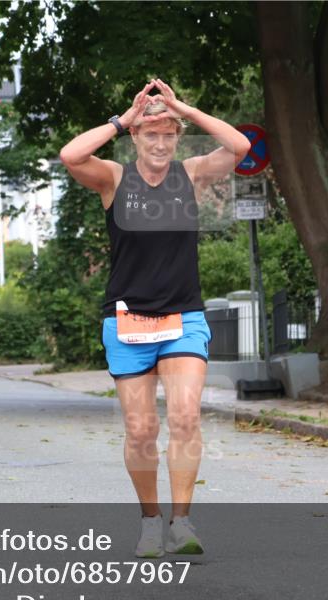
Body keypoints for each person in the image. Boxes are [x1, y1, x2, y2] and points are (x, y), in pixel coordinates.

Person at [59, 79, 251, 557]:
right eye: (151, 134)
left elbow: (241, 146)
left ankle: (181, 523)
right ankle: (150, 522)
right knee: (142, 429)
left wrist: (183, 105)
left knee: (185, 417)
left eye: (169, 134)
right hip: (127, 321)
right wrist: (123, 119)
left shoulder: (192, 173)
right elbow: (70, 155)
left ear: (178, 138)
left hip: (183, 317)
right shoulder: (113, 178)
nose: (161, 142)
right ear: (136, 139)